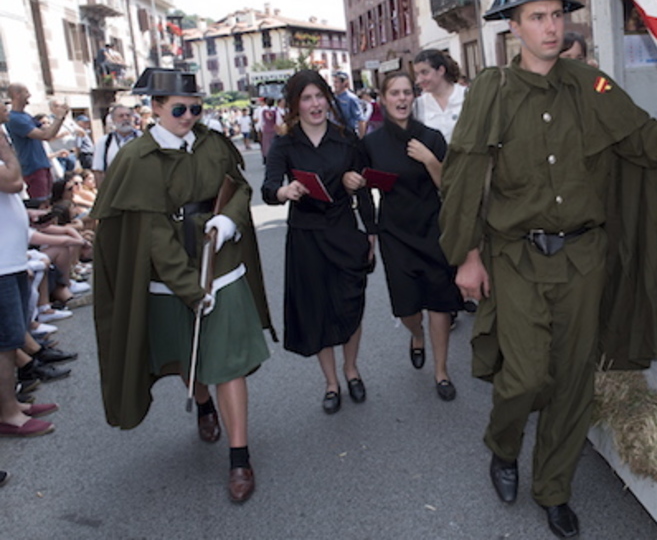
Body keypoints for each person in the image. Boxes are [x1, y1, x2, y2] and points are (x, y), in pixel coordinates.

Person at [438, 0, 657, 539]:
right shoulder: (492, 91)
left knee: (572, 381)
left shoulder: (590, 85)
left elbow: (638, 138)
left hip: (582, 258)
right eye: (537, 17)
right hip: (516, 257)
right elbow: (464, 176)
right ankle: (502, 445)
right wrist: (467, 257)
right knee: (522, 377)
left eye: (557, 15)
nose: (550, 26)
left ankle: (554, 489)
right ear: (513, 28)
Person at [90, 68, 274, 503]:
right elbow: (154, 236)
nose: (189, 116)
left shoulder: (214, 144)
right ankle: (203, 405)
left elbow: (241, 190)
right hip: (170, 278)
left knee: (227, 361)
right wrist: (191, 289)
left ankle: (239, 457)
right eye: (178, 108)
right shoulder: (135, 159)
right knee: (186, 355)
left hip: (223, 266)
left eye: (195, 107)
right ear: (154, 108)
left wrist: (229, 220)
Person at [261, 70, 376, 415]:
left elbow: (366, 188)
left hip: (343, 231)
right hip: (306, 236)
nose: (314, 105)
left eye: (319, 97)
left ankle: (351, 368)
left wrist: (371, 231)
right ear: (296, 105)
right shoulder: (285, 143)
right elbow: (268, 189)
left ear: (328, 99)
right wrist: (285, 191)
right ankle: (331, 382)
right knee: (318, 310)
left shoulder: (346, 139)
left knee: (351, 304)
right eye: (306, 98)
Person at [346, 72, 462, 401]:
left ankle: (441, 372)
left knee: (439, 303)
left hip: (433, 228)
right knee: (407, 309)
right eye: (394, 93)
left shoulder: (432, 137)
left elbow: (450, 188)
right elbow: (363, 190)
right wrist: (369, 229)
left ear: (414, 97)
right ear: (383, 98)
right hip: (395, 232)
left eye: (407, 93)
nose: (401, 99)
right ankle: (416, 335)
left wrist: (430, 160)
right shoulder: (371, 143)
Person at [0, 101, 57, 441]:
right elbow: (13, 180)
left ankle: (11, 404)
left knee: (10, 338)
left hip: (11, 259)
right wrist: (5, 146)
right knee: (5, 342)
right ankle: (7, 412)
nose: (4, 104)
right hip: (2, 264)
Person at [5, 84, 70, 201]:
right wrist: (59, 117)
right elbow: (46, 135)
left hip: (41, 165)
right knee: (41, 203)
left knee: (49, 201)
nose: (29, 95)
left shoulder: (25, 116)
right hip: (32, 167)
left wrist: (60, 117)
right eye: (26, 92)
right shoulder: (14, 119)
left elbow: (48, 131)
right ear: (16, 95)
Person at [413, 49, 466, 143]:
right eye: (417, 74)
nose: (419, 80)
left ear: (441, 70)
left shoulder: (466, 96)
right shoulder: (418, 105)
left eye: (424, 72)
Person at [92, 104, 141, 187]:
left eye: (128, 115)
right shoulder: (104, 142)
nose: (125, 118)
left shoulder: (143, 138)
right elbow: (98, 171)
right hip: (115, 189)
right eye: (121, 116)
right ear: (113, 120)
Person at [332, 71, 365, 137]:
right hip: (335, 133)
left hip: (348, 133)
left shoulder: (351, 98)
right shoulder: (333, 97)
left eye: (336, 82)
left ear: (344, 83)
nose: (334, 85)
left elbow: (360, 120)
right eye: (334, 82)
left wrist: (361, 139)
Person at [255, 97, 282, 162]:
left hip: (266, 129)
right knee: (274, 144)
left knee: (266, 144)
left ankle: (267, 157)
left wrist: (260, 129)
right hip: (273, 129)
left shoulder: (263, 111)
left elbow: (261, 121)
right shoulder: (275, 111)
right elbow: (279, 121)